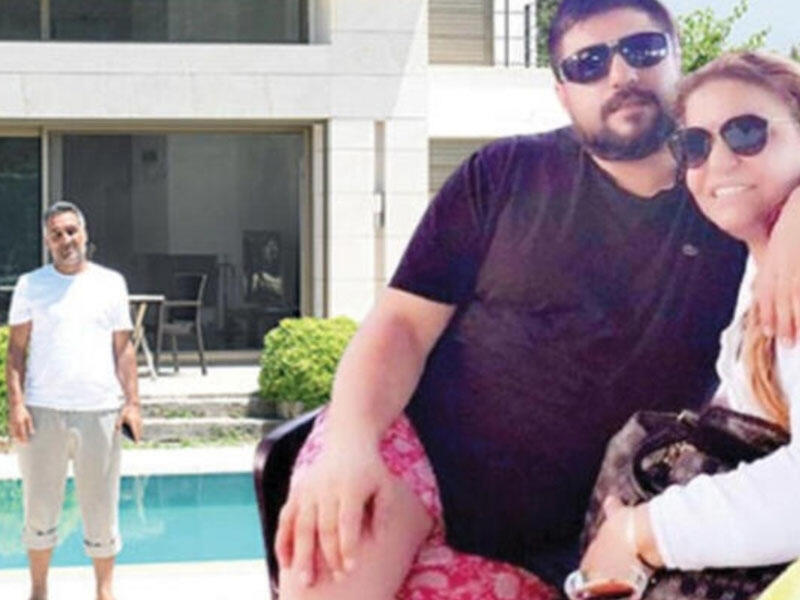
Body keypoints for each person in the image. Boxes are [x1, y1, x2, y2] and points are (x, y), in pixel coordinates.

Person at [275, 2, 800, 599]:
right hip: (422, 467)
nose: (620, 74)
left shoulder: (727, 195)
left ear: (676, 63)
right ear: (561, 92)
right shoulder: (503, 175)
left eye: (643, 50)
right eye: (588, 63)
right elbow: (400, 324)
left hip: (578, 542)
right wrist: (348, 443)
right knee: (335, 543)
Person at [580, 51, 800, 584]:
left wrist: (641, 533)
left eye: (746, 132)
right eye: (695, 145)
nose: (718, 160)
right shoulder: (757, 275)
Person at [6, 201, 143, 600]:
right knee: (39, 509)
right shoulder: (31, 285)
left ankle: (104, 592)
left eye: (71, 231)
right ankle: (38, 591)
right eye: (56, 234)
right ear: (47, 241)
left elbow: (124, 348)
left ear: (84, 234)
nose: (65, 240)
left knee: (101, 510)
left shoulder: (111, 283)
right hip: (42, 412)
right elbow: (16, 350)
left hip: (99, 411)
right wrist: (17, 405)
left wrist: (132, 404)